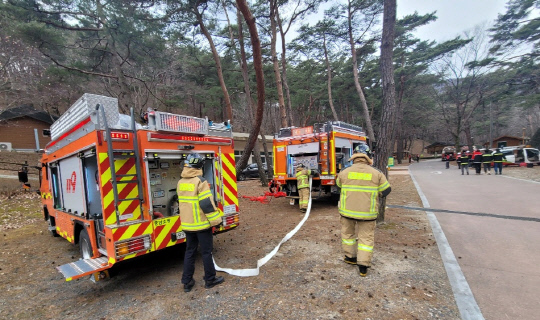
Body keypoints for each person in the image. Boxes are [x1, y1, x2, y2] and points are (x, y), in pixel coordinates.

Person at [336, 144, 391, 277]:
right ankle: (363, 267)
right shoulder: (376, 173)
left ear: (354, 155)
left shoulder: (344, 172)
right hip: (368, 213)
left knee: (348, 235)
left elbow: (338, 187)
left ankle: (350, 258)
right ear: (368, 156)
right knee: (366, 239)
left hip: (347, 212)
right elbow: (386, 190)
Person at [178, 153, 224, 292]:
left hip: (187, 225)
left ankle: (187, 282)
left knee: (190, 252)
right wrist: (216, 221)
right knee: (206, 252)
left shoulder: (181, 182)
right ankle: (210, 280)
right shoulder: (200, 181)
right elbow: (207, 205)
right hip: (202, 225)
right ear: (199, 165)